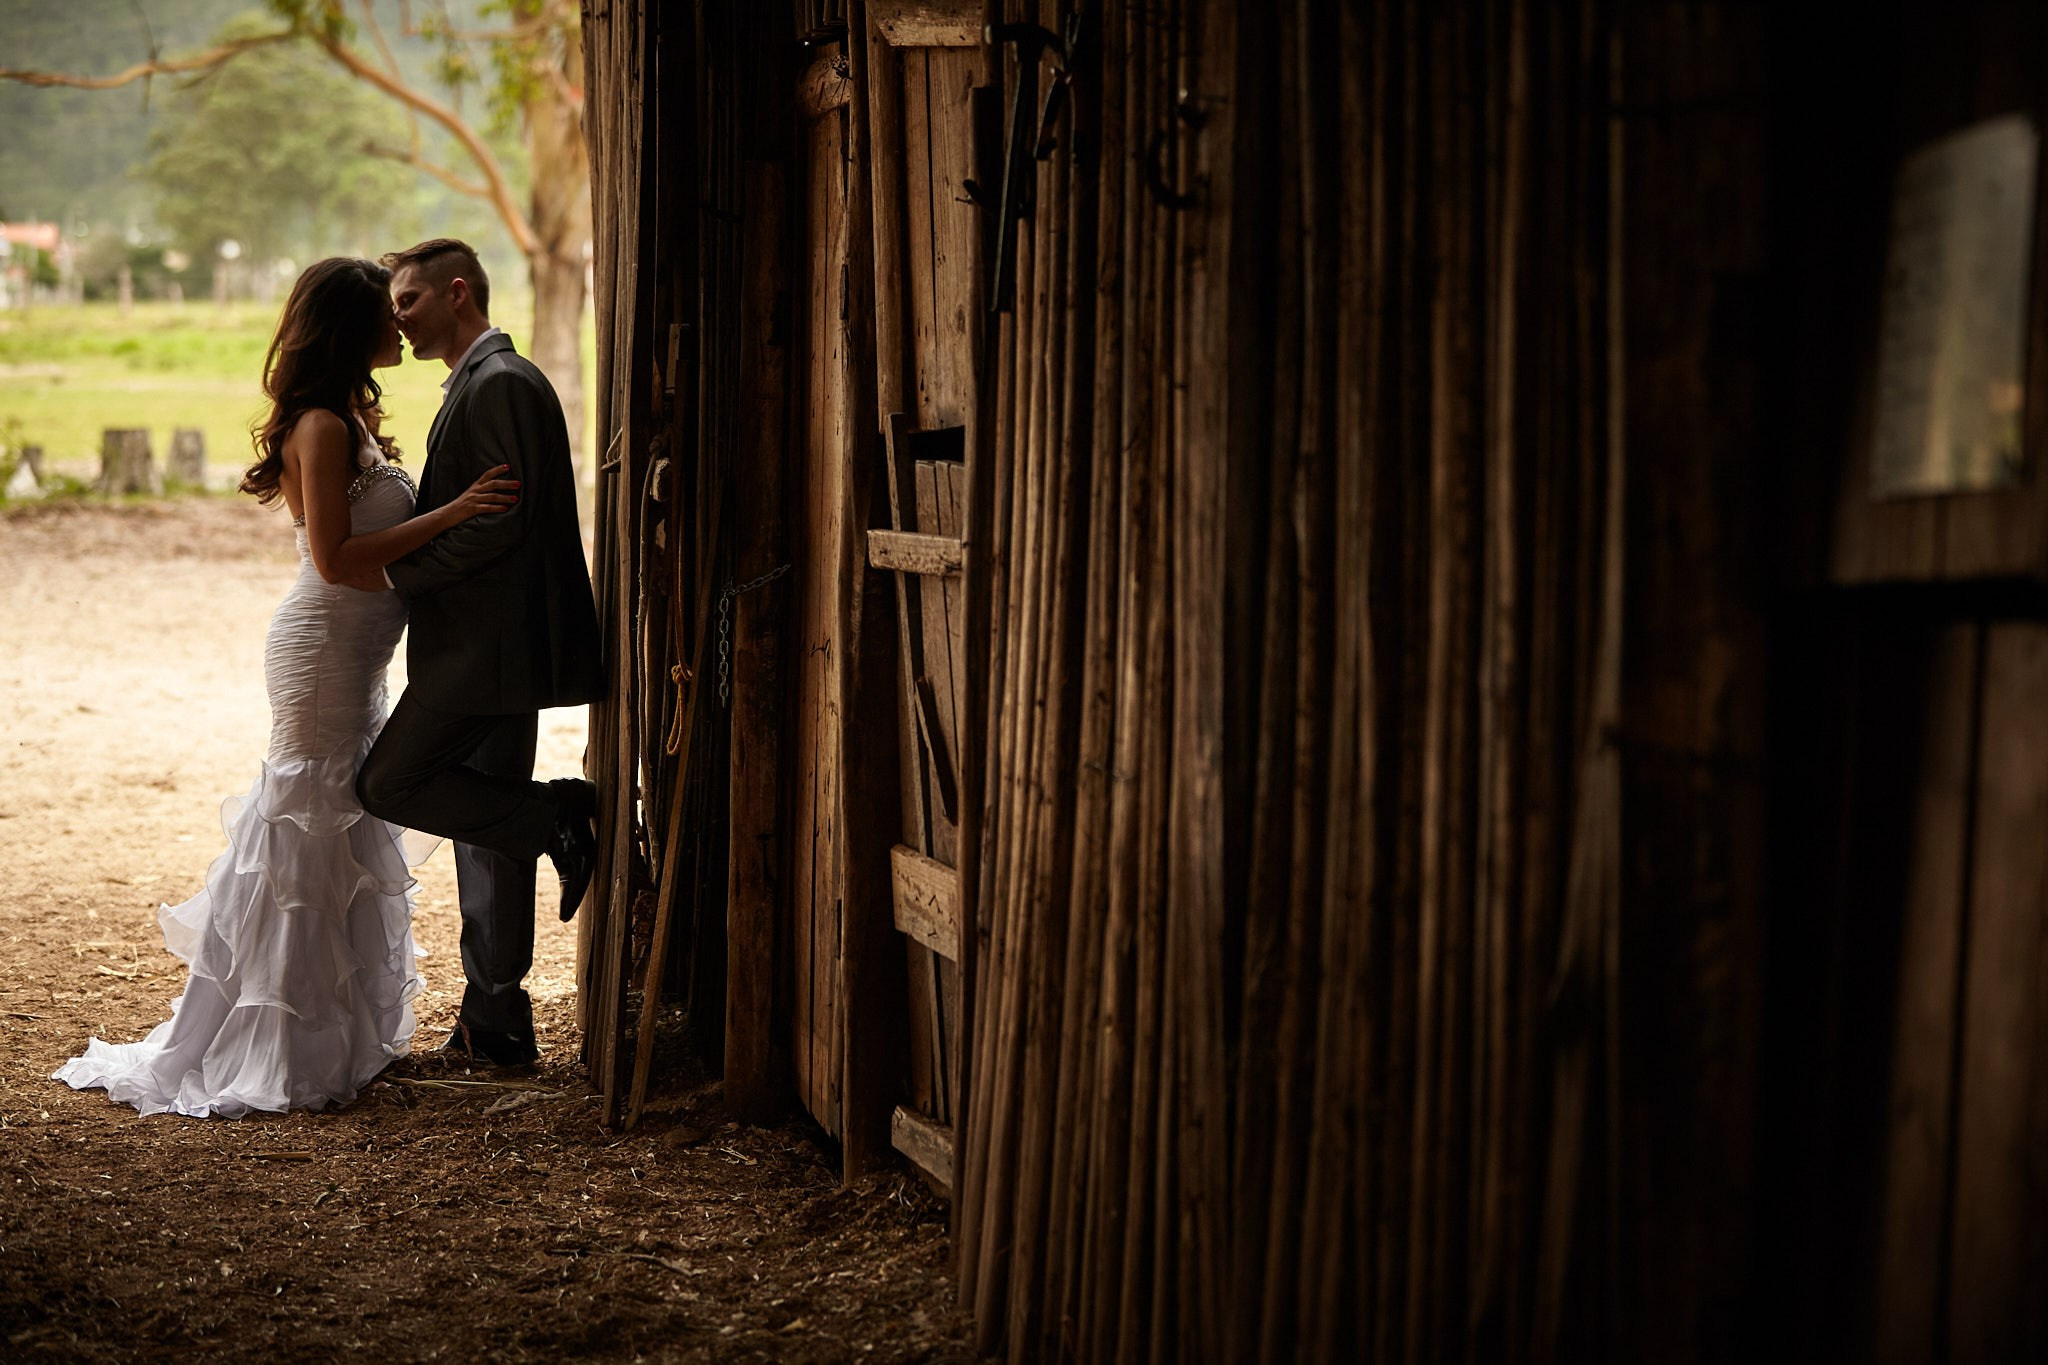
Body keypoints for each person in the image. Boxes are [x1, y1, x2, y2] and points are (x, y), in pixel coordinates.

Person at [53, 258, 520, 1117]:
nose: (399, 324)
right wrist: (454, 516)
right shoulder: (323, 425)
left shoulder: (347, 416)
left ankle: (326, 1029)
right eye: (385, 313)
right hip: (323, 650)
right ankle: (278, 1040)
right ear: (350, 328)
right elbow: (337, 561)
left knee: (342, 818)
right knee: (308, 820)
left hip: (355, 650)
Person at [353, 239, 602, 1068]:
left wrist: (405, 571)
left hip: (485, 649)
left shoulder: (501, 383)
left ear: (458, 293)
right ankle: (495, 1018)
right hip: (485, 644)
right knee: (483, 826)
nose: (398, 317)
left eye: (410, 301)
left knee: (393, 780)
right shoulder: (484, 381)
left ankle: (559, 813)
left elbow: (504, 522)